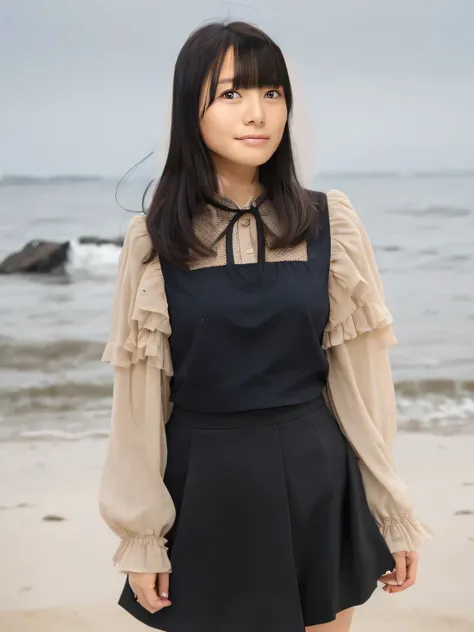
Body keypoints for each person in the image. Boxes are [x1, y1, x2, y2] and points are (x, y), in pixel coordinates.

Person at [98, 20, 432, 632]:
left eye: (272, 93)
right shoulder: (153, 241)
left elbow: (361, 387)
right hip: (205, 492)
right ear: (188, 109)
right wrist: (142, 533)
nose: (258, 113)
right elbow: (139, 400)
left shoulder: (332, 221)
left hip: (318, 483)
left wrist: (391, 509)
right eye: (231, 94)